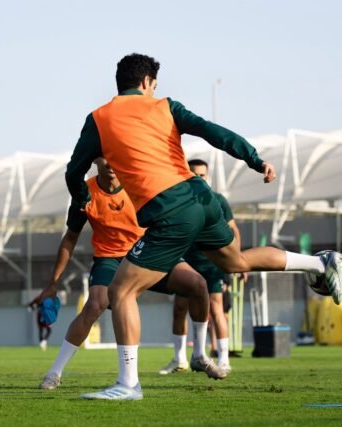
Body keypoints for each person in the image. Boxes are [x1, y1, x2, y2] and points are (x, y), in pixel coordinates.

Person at [66, 53, 342, 401]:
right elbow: (213, 132)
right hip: (203, 198)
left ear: (120, 83)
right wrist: (254, 159)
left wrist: (80, 196)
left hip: (171, 209)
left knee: (120, 292)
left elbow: (73, 171)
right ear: (147, 83)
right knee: (237, 262)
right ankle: (320, 263)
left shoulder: (99, 119)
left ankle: (129, 384)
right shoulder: (166, 106)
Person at [35, 158, 218, 390]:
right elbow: (70, 238)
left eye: (115, 155)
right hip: (110, 259)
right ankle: (54, 373)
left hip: (148, 253)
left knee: (198, 284)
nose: (111, 162)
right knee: (94, 305)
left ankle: (199, 355)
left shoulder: (139, 184)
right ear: (94, 159)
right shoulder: (85, 193)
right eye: (104, 156)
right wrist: (53, 283)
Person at [160, 159, 244, 376]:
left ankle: (223, 359)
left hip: (213, 263)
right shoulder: (177, 200)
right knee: (179, 309)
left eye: (203, 174)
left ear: (208, 176)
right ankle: (179, 359)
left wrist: (237, 261)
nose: (199, 178)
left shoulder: (218, 200)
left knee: (217, 309)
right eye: (194, 174)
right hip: (186, 262)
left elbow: (233, 231)